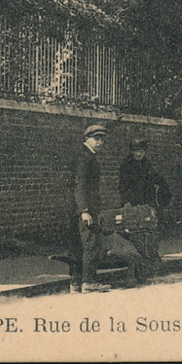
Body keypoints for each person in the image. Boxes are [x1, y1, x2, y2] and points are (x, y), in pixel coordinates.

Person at [118, 139, 170, 280]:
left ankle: (150, 259)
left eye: (141, 151)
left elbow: (158, 179)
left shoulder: (148, 165)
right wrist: (126, 202)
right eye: (136, 151)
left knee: (150, 230)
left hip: (147, 203)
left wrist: (159, 187)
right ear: (132, 151)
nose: (139, 154)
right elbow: (123, 186)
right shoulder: (126, 166)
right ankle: (138, 264)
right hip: (133, 204)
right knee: (134, 232)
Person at [68, 124, 111, 293]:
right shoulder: (85, 157)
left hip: (77, 208)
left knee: (78, 246)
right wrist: (85, 210)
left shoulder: (84, 155)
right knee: (91, 244)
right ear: (87, 139)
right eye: (97, 139)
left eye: (102, 139)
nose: (100, 142)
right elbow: (80, 185)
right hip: (85, 209)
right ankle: (89, 281)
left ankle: (76, 282)